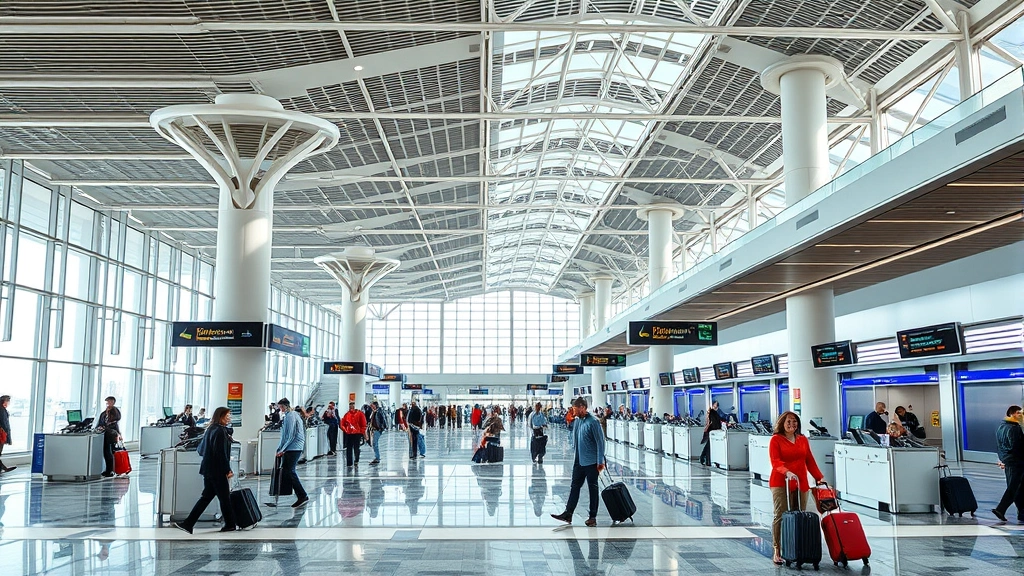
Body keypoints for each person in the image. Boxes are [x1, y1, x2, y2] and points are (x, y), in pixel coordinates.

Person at [768, 411, 825, 565]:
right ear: (782, 423)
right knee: (781, 514)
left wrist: (819, 477)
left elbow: (809, 460)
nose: (792, 425)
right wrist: (787, 472)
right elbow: (776, 462)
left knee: (798, 515)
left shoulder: (802, 440)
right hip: (781, 482)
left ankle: (794, 548)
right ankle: (777, 549)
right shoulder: (776, 440)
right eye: (788, 422)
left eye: (795, 422)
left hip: (801, 483)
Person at [174, 407, 237, 534]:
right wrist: (227, 469)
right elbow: (221, 454)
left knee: (206, 497)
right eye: (227, 415)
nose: (229, 418)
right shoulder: (220, 431)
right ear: (220, 416)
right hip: (217, 470)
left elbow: (201, 450)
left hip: (208, 469)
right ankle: (230, 524)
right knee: (224, 498)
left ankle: (188, 523)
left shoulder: (210, 429)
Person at [551, 397, 606, 527]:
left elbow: (600, 442)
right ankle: (568, 513)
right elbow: (573, 437)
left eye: (575, 409)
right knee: (574, 486)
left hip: (592, 462)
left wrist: (600, 462)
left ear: (582, 407)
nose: (573, 411)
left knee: (593, 488)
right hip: (579, 461)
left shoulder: (593, 422)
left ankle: (592, 516)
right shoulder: (578, 421)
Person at [992, 405, 1024, 523]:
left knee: (1017, 487)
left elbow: (999, 446)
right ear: (1014, 413)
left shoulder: (1001, 426)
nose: (1022, 416)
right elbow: (1016, 447)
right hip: (1017, 462)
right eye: (1020, 413)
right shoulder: (1014, 428)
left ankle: (1021, 512)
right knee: (1014, 487)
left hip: (1008, 461)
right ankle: (1001, 509)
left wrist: (1002, 459)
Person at [275, 398, 308, 508]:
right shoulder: (289, 416)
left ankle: (302, 495)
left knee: (289, 471)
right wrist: (280, 448)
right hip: (292, 447)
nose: (280, 410)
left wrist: (282, 449)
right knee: (288, 470)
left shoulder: (291, 416)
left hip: (294, 447)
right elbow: (285, 435)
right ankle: (301, 495)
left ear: (285, 406)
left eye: (281, 407)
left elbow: (291, 435)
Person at [96, 396, 122, 478]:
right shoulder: (104, 413)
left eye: (109, 401)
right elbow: (101, 422)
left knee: (109, 452)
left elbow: (113, 423)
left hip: (110, 434)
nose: (108, 403)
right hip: (106, 434)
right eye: (107, 402)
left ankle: (110, 470)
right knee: (107, 452)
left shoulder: (114, 412)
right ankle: (108, 469)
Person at [341, 401, 367, 467]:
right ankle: (350, 462)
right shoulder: (347, 415)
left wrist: (361, 431)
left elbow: (363, 424)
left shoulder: (359, 414)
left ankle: (356, 460)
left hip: (356, 433)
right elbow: (342, 424)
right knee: (350, 448)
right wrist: (346, 430)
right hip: (350, 433)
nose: (351, 407)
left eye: (352, 405)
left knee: (356, 448)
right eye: (350, 405)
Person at [699, 401, 723, 466]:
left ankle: (705, 459)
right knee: (708, 446)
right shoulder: (712, 412)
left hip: (711, 431)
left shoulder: (712, 412)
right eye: (715, 405)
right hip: (711, 430)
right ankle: (704, 458)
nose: (716, 406)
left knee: (708, 445)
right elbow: (714, 422)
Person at [0, 395, 13, 473]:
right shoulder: (2, 410)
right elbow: (4, 423)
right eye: (8, 401)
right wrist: (8, 436)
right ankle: (3, 467)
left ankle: (3, 467)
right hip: (2, 434)